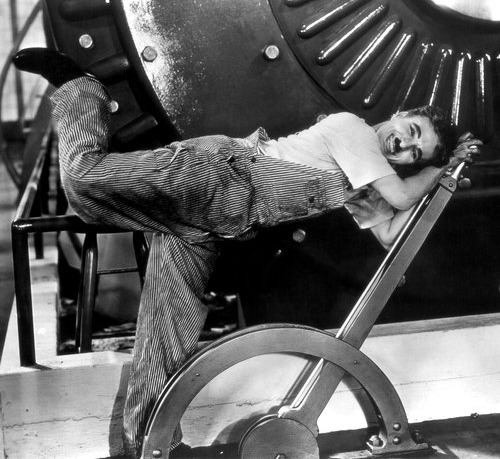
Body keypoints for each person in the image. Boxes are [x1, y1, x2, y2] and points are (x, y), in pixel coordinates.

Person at [14, 48, 481, 458]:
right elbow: (401, 197)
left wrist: (443, 179)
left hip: (214, 225)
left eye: (415, 153)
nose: (406, 145)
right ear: (400, 114)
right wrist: (440, 168)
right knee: (84, 182)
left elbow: (391, 234)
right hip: (216, 174)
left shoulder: (364, 182)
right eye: (412, 130)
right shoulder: (352, 129)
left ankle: (153, 446)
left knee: (167, 330)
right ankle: (81, 88)